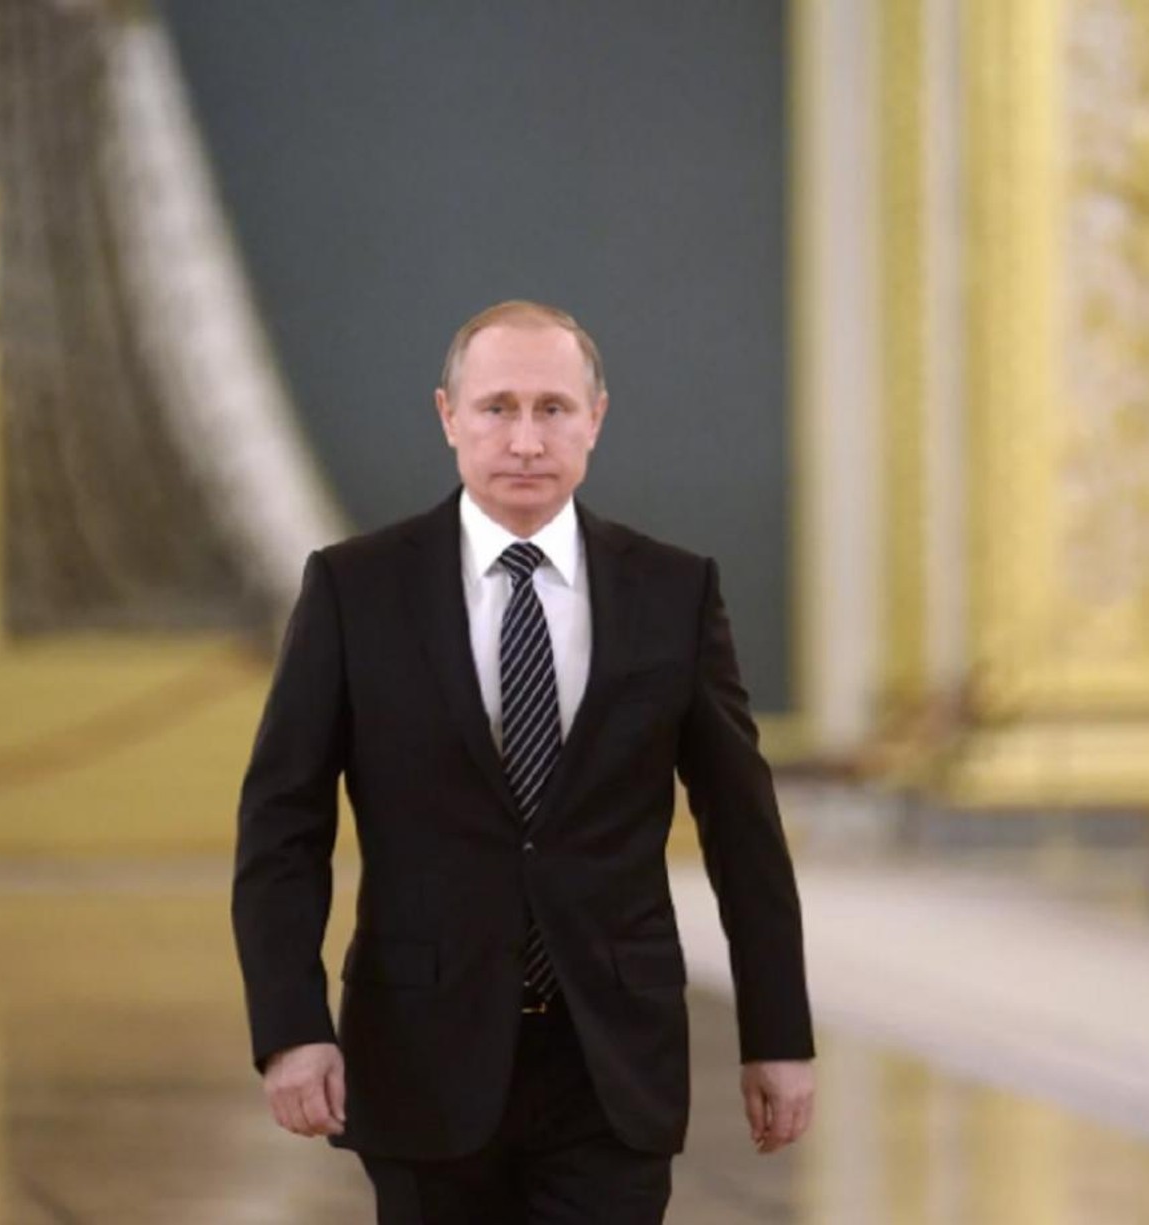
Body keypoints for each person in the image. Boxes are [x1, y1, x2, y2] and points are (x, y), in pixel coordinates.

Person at [232, 299, 816, 1224]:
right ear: (448, 416)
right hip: (422, 1053)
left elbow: (745, 831)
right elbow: (282, 827)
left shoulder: (673, 590)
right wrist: (291, 1027)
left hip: (613, 1062)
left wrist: (777, 1033)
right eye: (498, 407)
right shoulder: (355, 588)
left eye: (553, 408)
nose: (526, 440)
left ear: (597, 418)